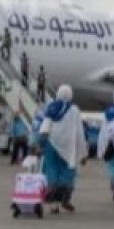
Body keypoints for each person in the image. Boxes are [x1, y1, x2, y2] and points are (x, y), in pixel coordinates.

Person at [38, 85, 87, 214]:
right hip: (69, 147)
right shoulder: (74, 110)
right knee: (67, 173)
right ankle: (65, 199)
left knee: (51, 172)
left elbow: (45, 126)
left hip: (52, 144)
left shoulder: (51, 107)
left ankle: (53, 205)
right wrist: (83, 152)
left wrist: (41, 144)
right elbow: (79, 131)